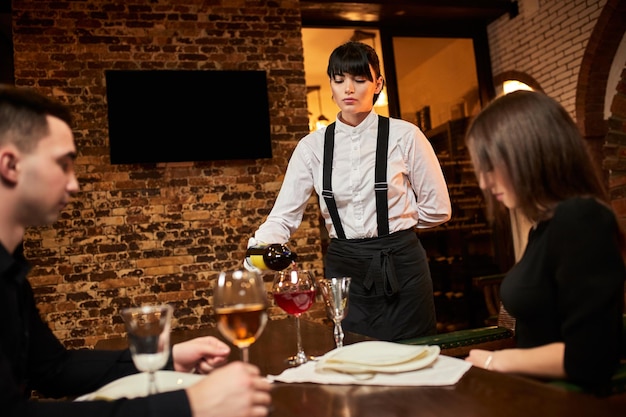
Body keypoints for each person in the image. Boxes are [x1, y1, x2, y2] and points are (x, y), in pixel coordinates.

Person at [0, 84, 272, 417]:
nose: (74, 184)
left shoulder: (10, 271)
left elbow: (54, 370)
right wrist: (188, 405)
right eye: (63, 164)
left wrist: (169, 359)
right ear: (10, 165)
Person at [247, 41, 451, 341]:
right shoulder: (311, 148)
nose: (349, 89)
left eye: (359, 79)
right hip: (346, 271)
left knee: (415, 355)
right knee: (355, 356)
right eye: (339, 80)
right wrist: (255, 254)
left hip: (403, 266)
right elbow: (283, 218)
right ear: (331, 85)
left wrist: (396, 230)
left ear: (378, 83)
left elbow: (438, 208)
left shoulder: (405, 136)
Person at [463, 89, 625, 392]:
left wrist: (494, 362)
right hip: (534, 393)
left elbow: (590, 358)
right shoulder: (545, 227)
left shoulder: (581, 218)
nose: (484, 182)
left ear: (529, 153)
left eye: (489, 167)